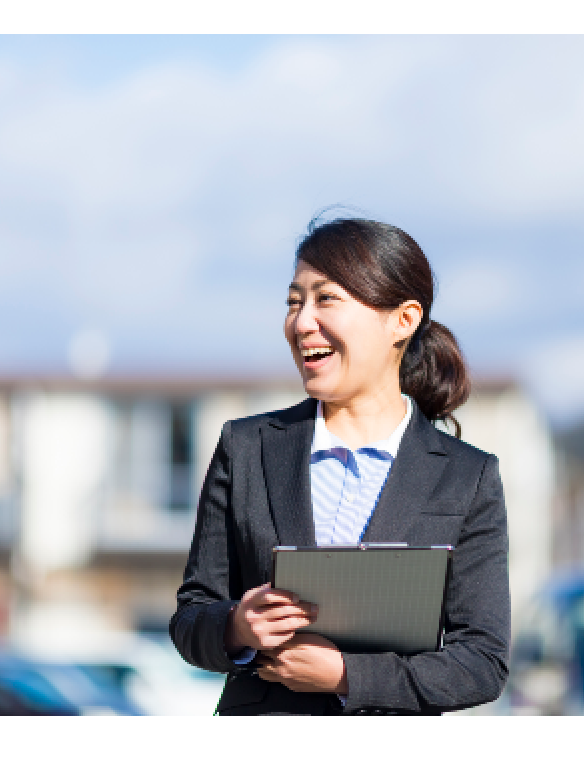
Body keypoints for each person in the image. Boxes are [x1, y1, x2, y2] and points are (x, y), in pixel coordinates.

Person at [170, 218, 510, 715]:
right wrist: (237, 626)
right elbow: (190, 618)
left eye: (326, 299)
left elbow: (482, 661)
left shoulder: (466, 476)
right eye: (294, 302)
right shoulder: (245, 448)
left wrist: (349, 675)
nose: (302, 322)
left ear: (403, 319)